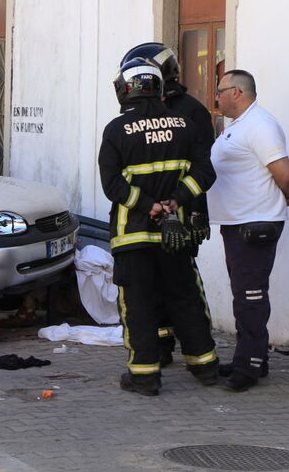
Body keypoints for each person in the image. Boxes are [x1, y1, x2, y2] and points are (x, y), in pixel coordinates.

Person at [98, 52, 218, 396]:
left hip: (132, 236)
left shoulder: (117, 130)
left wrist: (149, 206)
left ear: (126, 89)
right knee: (185, 297)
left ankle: (145, 376)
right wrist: (176, 201)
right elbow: (204, 173)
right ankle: (205, 367)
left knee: (138, 305)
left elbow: (113, 187)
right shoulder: (186, 125)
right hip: (174, 236)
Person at [207, 69, 289, 392]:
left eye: (220, 90)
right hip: (237, 223)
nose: (216, 96)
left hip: (254, 224)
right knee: (243, 295)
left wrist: (288, 193)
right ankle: (250, 358)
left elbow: (285, 173)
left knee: (250, 297)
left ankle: (248, 367)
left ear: (237, 92)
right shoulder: (237, 126)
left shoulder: (260, 125)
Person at [122, 43, 215, 367]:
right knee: (154, 289)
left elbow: (201, 166)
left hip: (179, 216)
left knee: (181, 287)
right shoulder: (139, 117)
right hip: (147, 218)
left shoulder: (191, 111)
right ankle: (161, 349)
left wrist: (198, 212)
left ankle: (193, 356)